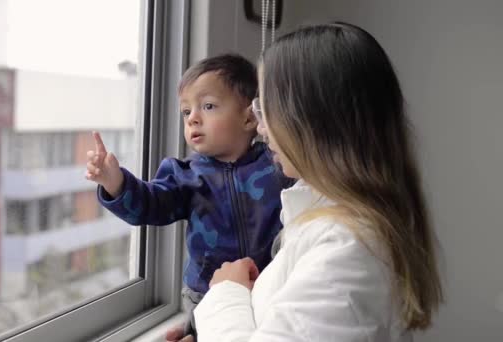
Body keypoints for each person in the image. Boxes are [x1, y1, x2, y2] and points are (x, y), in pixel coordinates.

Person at [193, 22, 444, 341]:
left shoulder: (348, 249)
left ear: (312, 120)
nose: (261, 128)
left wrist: (227, 293)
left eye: (265, 109)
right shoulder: (328, 221)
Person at [84, 54, 293, 338]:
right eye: (186, 112)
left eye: (208, 106)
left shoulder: (276, 163)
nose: (193, 118)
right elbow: (149, 204)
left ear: (249, 117)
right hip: (207, 292)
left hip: (271, 284)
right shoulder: (184, 174)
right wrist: (116, 183)